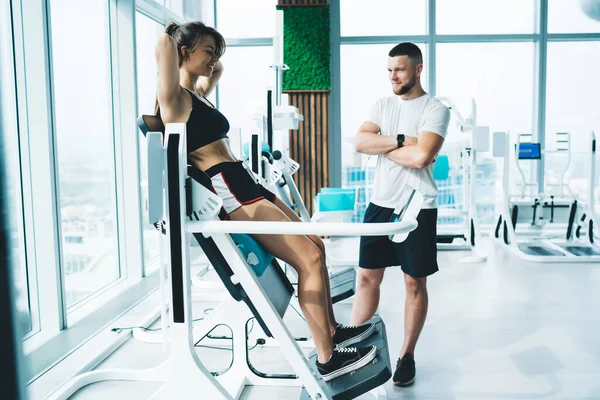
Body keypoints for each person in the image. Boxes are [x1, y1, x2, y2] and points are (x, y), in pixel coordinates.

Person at [154, 21, 376, 381]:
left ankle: (333, 331)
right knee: (309, 258)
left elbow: (217, 68)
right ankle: (327, 358)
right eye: (207, 52)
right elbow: (163, 47)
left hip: (248, 182)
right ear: (183, 52)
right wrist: (173, 31)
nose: (214, 61)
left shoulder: (197, 93)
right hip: (232, 190)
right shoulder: (174, 101)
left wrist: (211, 53)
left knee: (315, 243)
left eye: (216, 53)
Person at [350, 42, 450, 386]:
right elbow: (361, 142)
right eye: (390, 70)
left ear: (418, 70)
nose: (393, 76)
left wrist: (384, 145)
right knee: (365, 279)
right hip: (380, 204)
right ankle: (353, 346)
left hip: (418, 206)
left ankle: (406, 356)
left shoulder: (435, 109)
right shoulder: (382, 104)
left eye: (400, 69)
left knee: (413, 283)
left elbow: (422, 158)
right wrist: (405, 141)